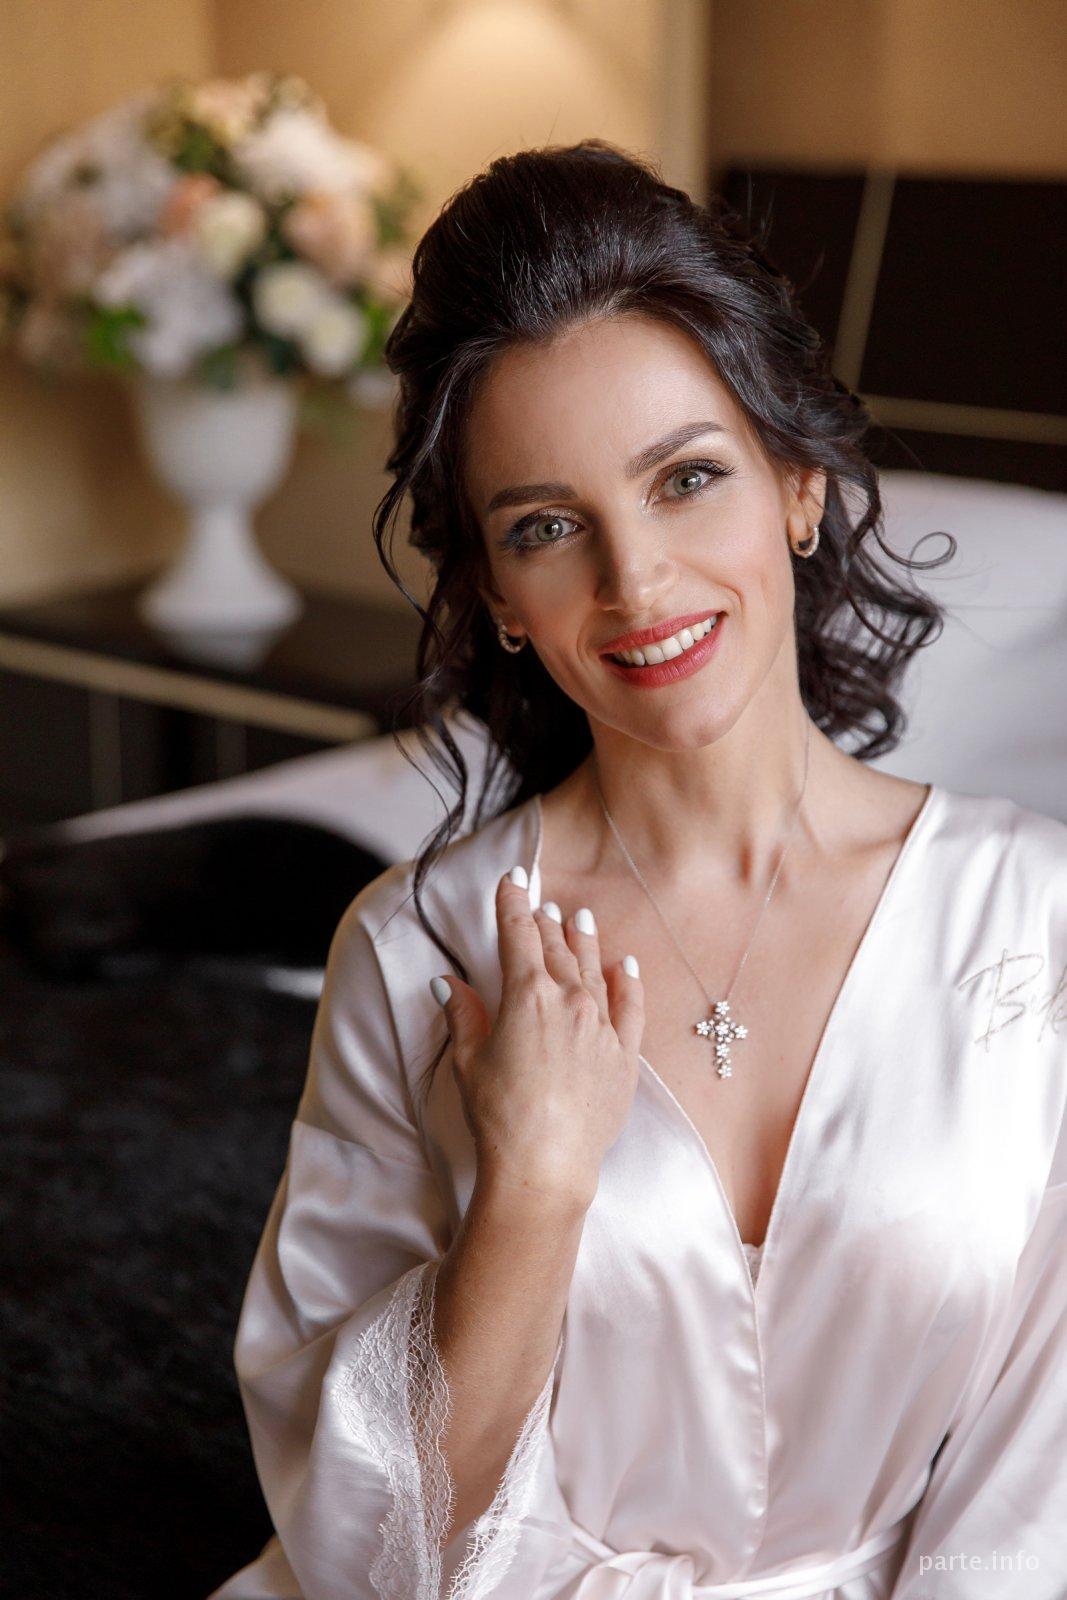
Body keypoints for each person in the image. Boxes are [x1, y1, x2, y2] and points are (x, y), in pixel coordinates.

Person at [208, 143, 1067, 1600]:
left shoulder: (1035, 921)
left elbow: (1042, 1482)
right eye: (547, 527)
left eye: (687, 479)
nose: (638, 584)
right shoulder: (420, 954)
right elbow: (373, 1544)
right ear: (498, 595)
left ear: (799, 483)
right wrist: (535, 1186)